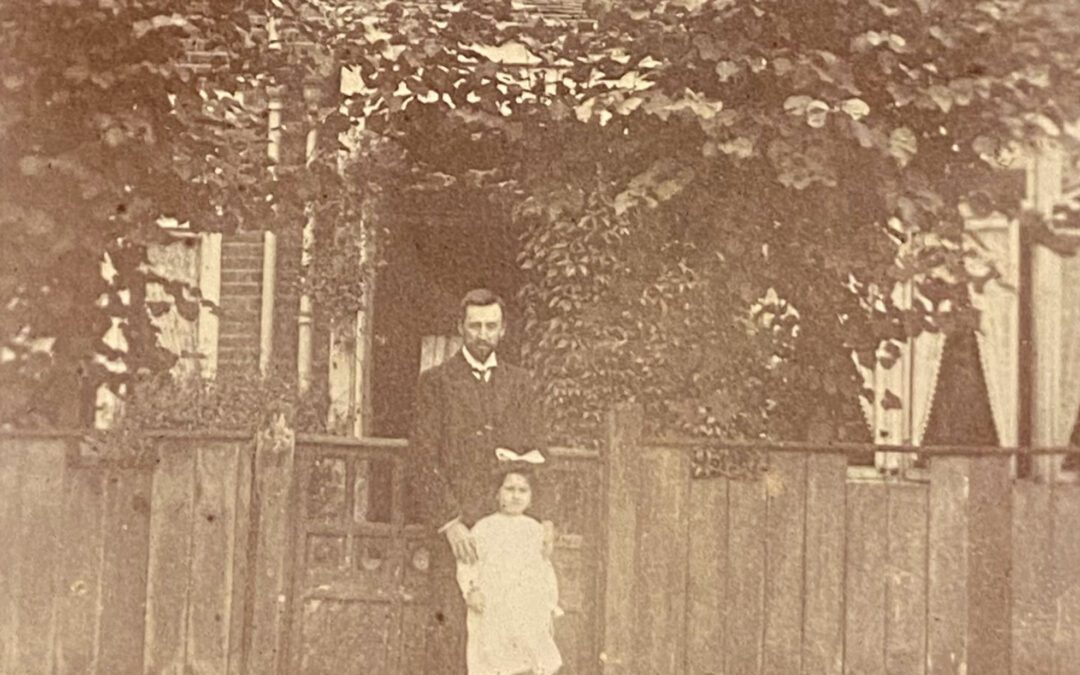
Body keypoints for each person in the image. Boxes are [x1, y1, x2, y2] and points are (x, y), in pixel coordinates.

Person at [411, 288, 554, 674]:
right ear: (461, 329)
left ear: (503, 330)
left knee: (509, 631)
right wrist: (450, 522)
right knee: (451, 631)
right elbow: (422, 459)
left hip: (507, 530)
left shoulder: (519, 383)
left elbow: (538, 451)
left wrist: (545, 518)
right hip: (458, 531)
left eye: (491, 326)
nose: (482, 333)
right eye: (474, 326)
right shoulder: (436, 383)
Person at [456, 457, 563, 675]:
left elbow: (544, 570)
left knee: (529, 656)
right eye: (509, 489)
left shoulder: (535, 530)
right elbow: (468, 563)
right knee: (493, 656)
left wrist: (550, 603)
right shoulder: (484, 528)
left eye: (523, 490)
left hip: (525, 605)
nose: (515, 496)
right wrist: (471, 589)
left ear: (531, 498)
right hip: (492, 604)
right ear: (497, 494)